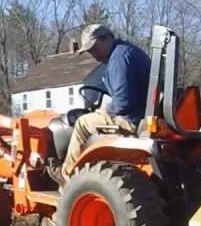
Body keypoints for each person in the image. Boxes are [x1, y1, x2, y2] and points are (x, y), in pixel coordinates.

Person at [49, 24, 152, 186]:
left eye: (94, 48)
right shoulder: (127, 51)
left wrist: (105, 109)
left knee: (82, 123)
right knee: (94, 118)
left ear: (107, 38)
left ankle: (66, 175)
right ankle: (86, 170)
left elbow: (123, 103)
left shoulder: (119, 58)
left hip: (132, 119)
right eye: (90, 51)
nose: (93, 55)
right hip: (142, 114)